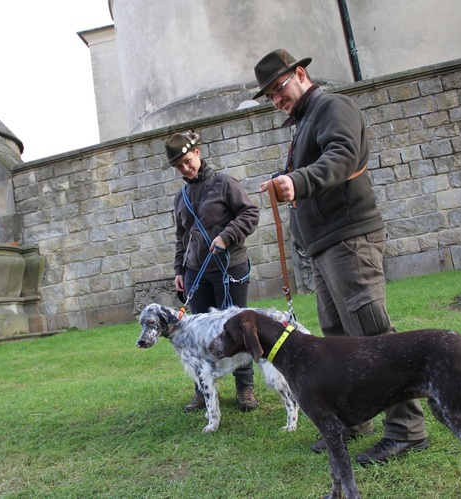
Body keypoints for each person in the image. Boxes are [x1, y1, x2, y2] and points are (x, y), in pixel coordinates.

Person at [253, 49, 428, 465]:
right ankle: (354, 420)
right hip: (324, 246)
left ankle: (407, 430)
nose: (277, 99)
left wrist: (296, 180)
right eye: (270, 96)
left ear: (300, 74)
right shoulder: (303, 123)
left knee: (371, 336)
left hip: (350, 239)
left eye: (279, 88)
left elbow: (343, 155)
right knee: (337, 341)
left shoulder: (333, 106)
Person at [165, 130, 261, 412]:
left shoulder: (225, 184)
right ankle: (202, 388)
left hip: (229, 265)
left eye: (187, 159)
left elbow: (250, 213)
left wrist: (227, 236)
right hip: (196, 271)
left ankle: (245, 388)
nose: (186, 167)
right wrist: (179, 270)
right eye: (179, 165)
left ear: (197, 152)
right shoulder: (180, 197)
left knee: (238, 327)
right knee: (197, 335)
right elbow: (182, 237)